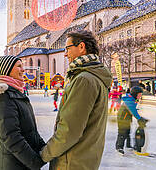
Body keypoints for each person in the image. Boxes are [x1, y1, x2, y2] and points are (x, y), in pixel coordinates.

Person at [41, 30, 112, 170]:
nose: (65, 54)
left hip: (71, 161)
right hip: (85, 158)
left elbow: (69, 130)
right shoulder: (95, 76)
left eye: (67, 48)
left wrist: (44, 155)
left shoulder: (83, 80)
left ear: (81, 47)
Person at [0, 55, 46, 170]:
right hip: (14, 165)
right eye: (19, 66)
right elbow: (11, 137)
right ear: (7, 70)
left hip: (22, 162)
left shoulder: (16, 93)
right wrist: (34, 161)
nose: (23, 70)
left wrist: (44, 148)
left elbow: (30, 132)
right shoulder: (3, 98)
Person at [116, 86, 148, 154]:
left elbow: (133, 109)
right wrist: (139, 118)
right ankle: (119, 147)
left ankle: (128, 145)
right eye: (139, 94)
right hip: (122, 119)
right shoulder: (129, 101)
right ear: (135, 94)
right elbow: (133, 111)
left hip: (126, 118)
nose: (140, 96)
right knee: (122, 133)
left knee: (127, 131)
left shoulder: (131, 99)